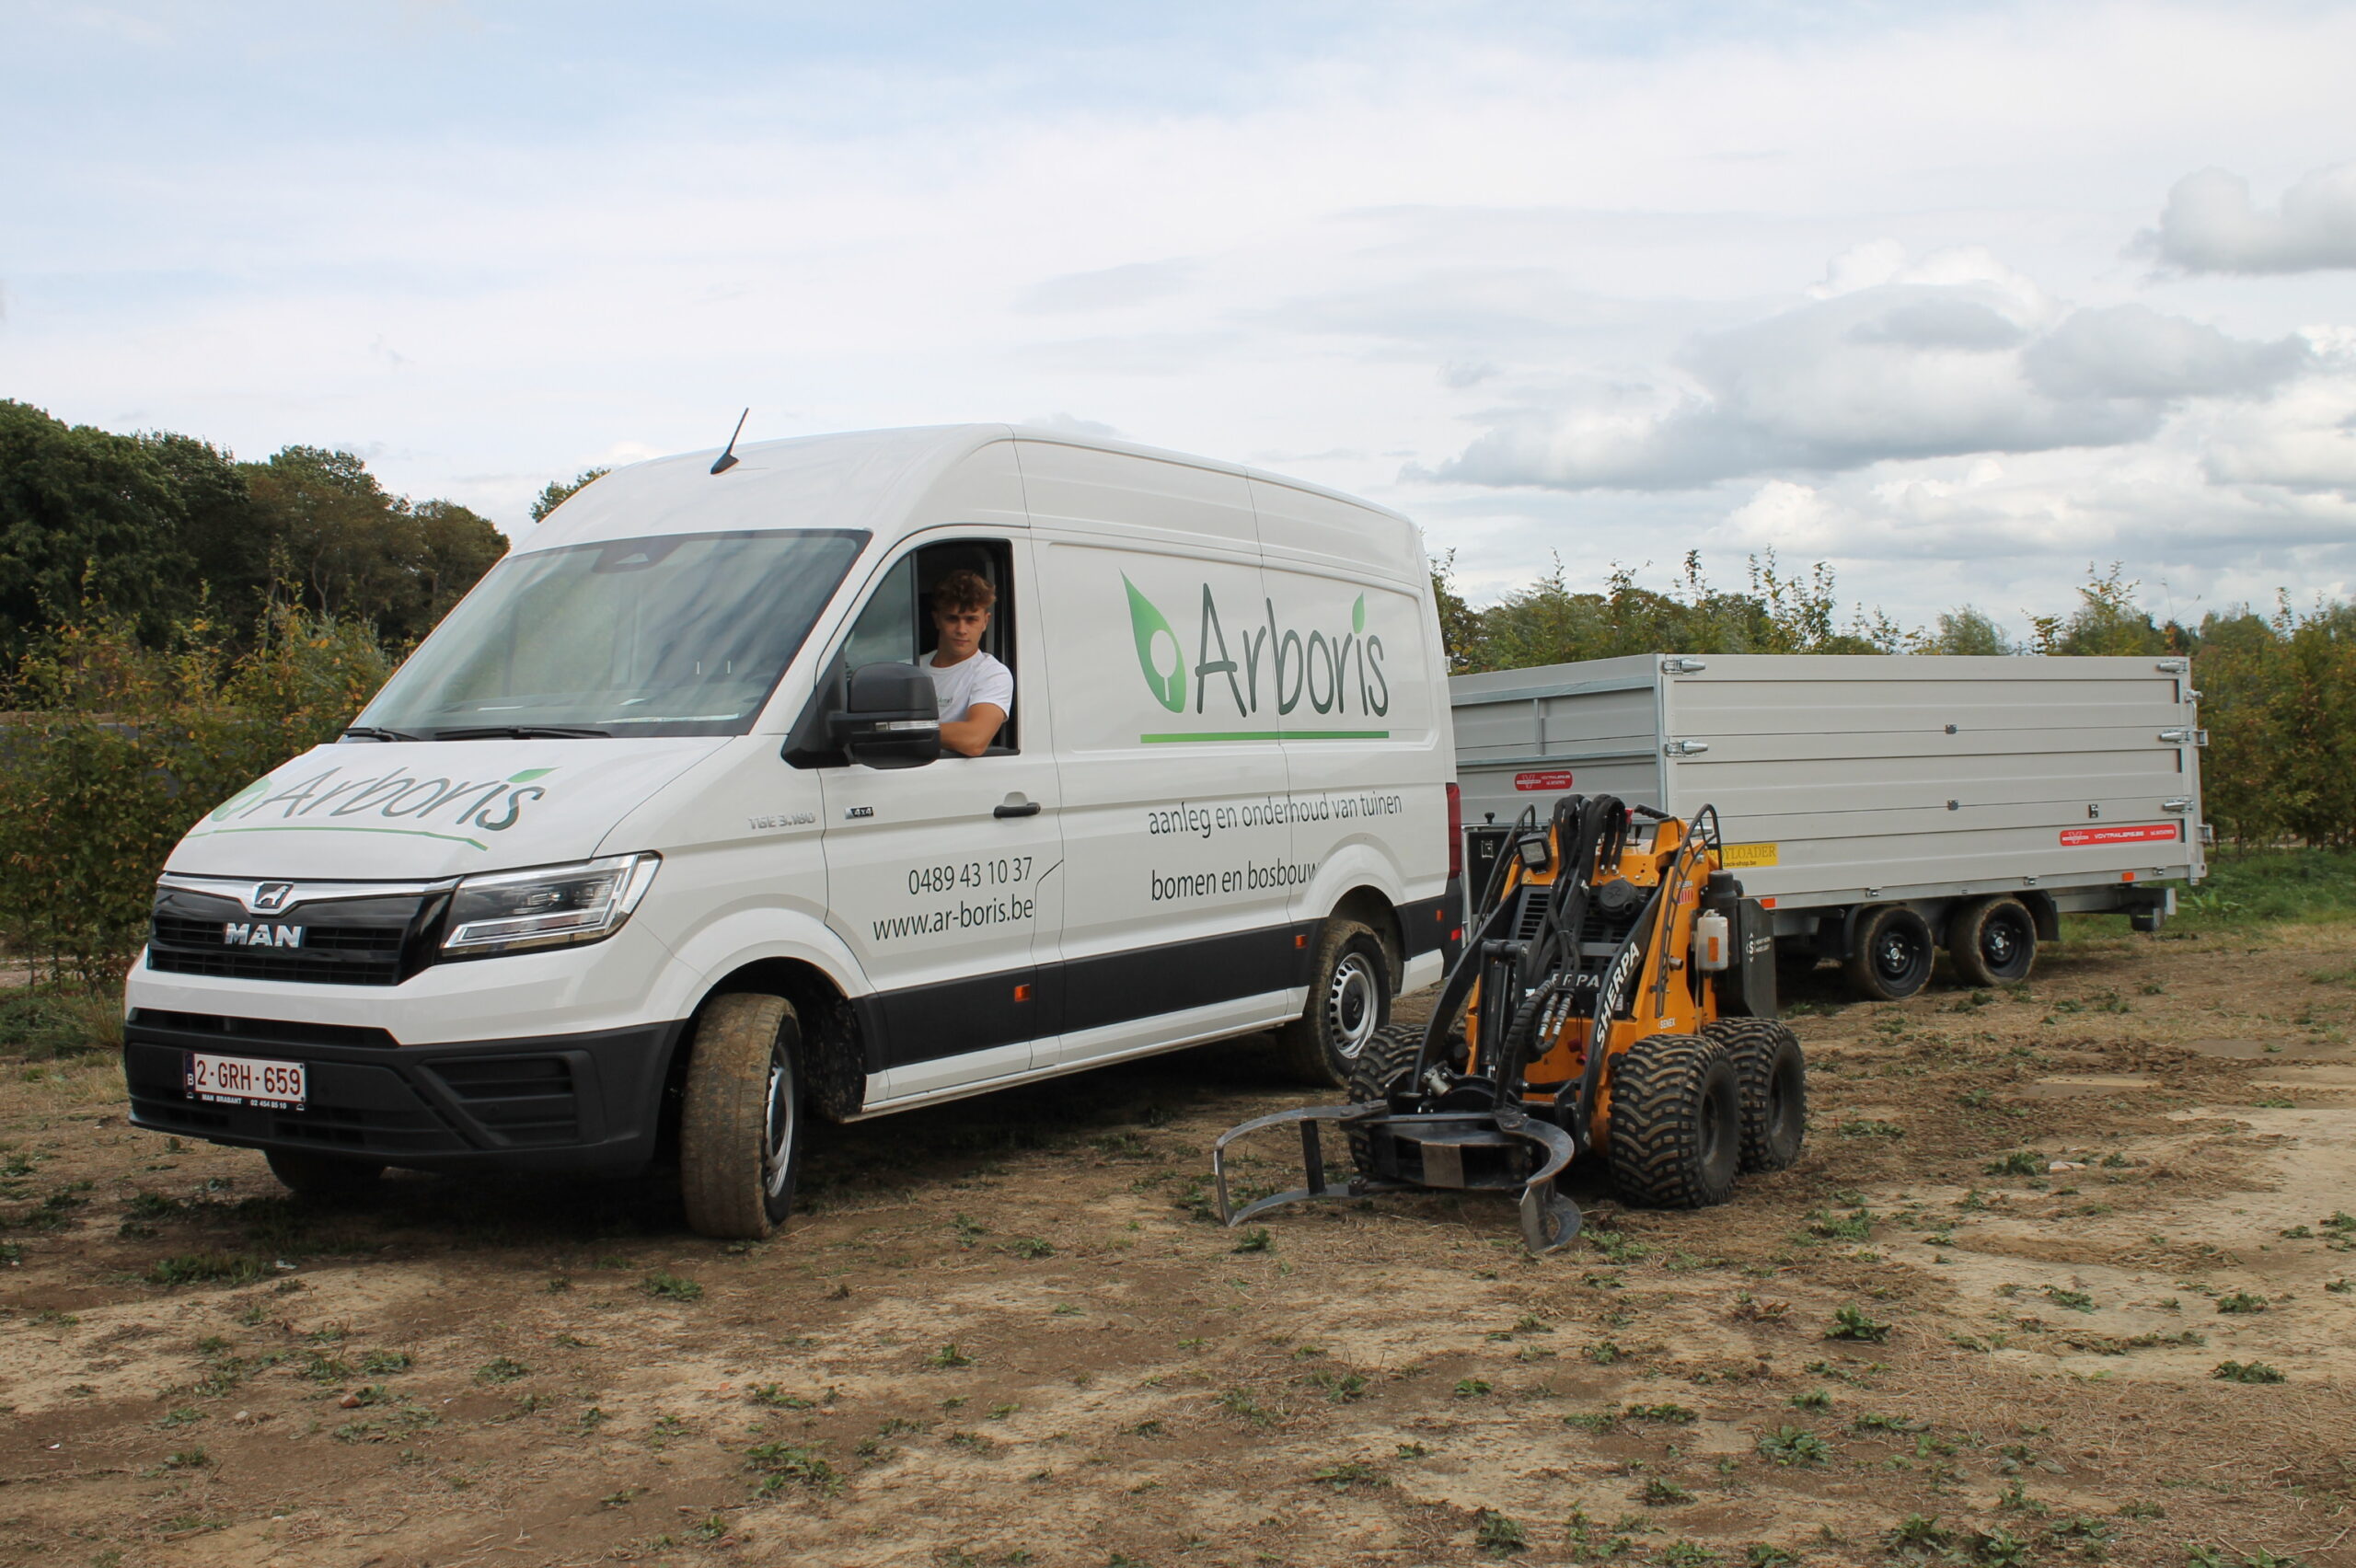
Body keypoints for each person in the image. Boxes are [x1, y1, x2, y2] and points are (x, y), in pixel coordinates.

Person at [925, 569, 1012, 756]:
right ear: (937, 619)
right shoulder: (909, 667)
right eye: (952, 618)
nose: (961, 629)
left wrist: (901, 730)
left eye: (971, 620)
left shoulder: (992, 673)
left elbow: (974, 740)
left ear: (985, 622)